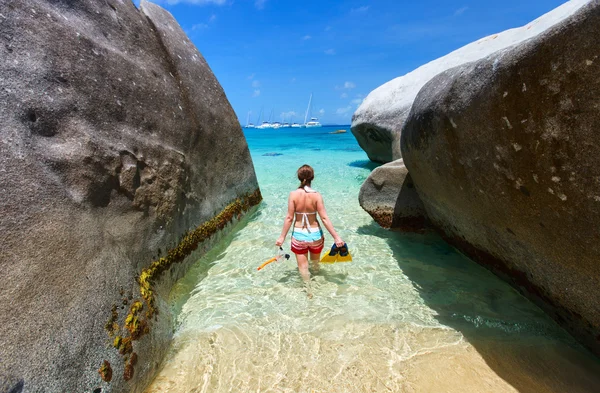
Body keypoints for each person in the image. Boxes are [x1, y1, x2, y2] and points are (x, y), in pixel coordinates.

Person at [276, 164, 345, 288]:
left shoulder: (293, 194)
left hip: (299, 236)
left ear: (299, 177)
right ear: (312, 178)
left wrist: (282, 237)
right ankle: (318, 283)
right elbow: (324, 218)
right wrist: (336, 237)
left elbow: (289, 218)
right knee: (315, 263)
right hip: (315, 235)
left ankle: (308, 291)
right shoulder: (317, 195)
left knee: (303, 267)